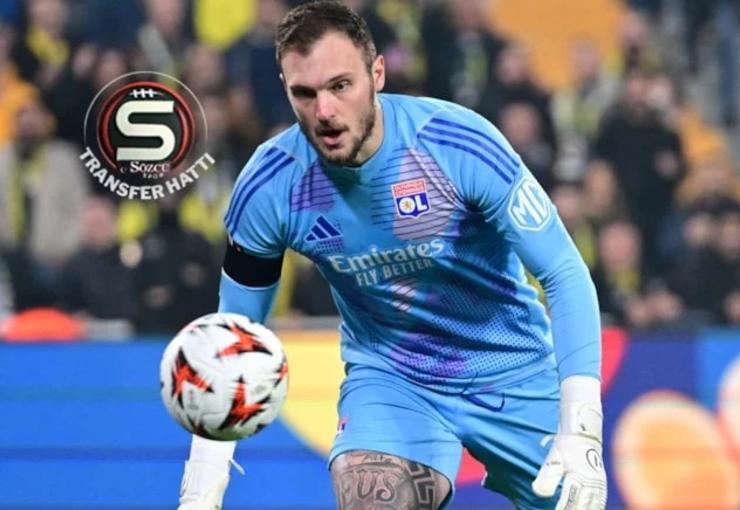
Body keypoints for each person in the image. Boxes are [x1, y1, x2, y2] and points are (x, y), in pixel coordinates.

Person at [178, 2, 606, 509]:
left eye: (341, 85)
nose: (325, 111)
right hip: (393, 378)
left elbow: (563, 272)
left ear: (377, 73)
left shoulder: (456, 144)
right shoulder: (270, 188)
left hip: (512, 369)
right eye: (304, 93)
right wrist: (204, 475)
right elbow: (236, 333)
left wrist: (582, 424)